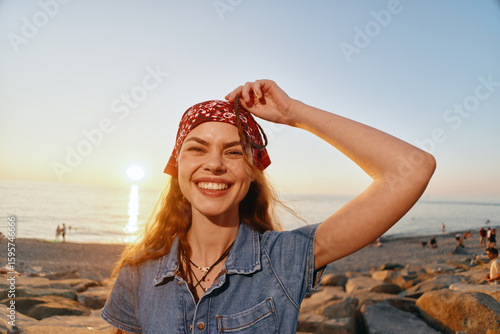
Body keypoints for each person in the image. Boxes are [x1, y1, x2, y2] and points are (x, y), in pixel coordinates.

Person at [101, 80, 435, 333]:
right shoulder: (138, 272)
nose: (214, 164)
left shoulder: (284, 259)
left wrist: (294, 113)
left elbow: (412, 168)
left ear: (252, 171)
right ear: (177, 165)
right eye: (197, 149)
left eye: (233, 152)